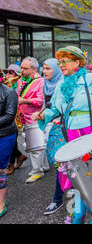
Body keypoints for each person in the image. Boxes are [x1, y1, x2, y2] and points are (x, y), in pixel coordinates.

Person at [32, 46, 92, 224]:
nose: (61, 65)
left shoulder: (90, 79)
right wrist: (42, 115)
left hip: (91, 134)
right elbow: (54, 109)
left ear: (77, 62)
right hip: (70, 136)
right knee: (77, 180)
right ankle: (77, 215)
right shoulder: (61, 84)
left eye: (65, 61)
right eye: (59, 62)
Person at [40, 58, 66, 215]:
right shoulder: (42, 83)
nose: (45, 71)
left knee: (62, 163)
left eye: (48, 68)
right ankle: (61, 196)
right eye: (43, 68)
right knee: (59, 163)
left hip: (66, 127)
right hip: (50, 126)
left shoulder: (65, 84)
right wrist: (43, 116)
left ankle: (58, 198)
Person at [17, 57, 49, 183]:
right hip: (24, 117)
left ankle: (37, 171)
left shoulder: (40, 82)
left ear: (34, 69)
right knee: (39, 145)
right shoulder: (21, 80)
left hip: (35, 117)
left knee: (35, 147)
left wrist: (23, 101)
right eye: (21, 68)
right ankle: (44, 166)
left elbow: (40, 101)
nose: (22, 71)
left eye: (25, 68)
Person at [2, 65, 26, 175]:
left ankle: (10, 164)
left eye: (11, 72)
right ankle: (20, 156)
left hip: (14, 117)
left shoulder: (18, 84)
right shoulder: (7, 83)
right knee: (13, 142)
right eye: (6, 71)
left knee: (11, 140)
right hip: (8, 116)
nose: (8, 74)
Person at [0, 82, 19, 218]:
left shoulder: (9, 93)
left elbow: (9, 116)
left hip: (4, 136)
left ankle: (1, 203)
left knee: (0, 169)